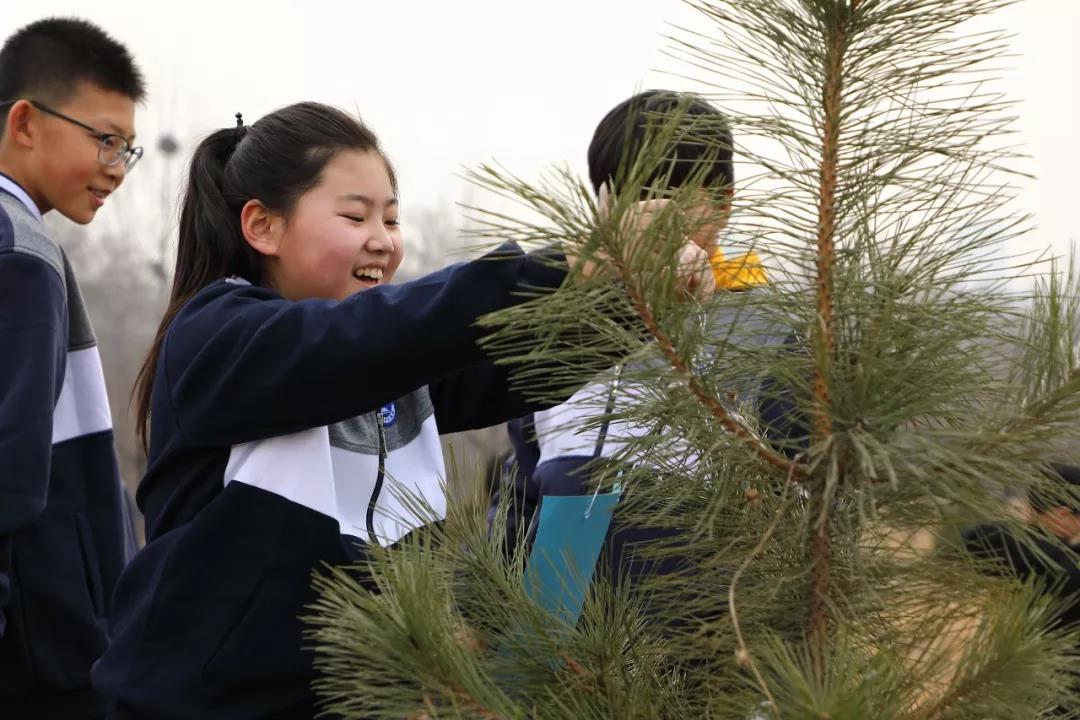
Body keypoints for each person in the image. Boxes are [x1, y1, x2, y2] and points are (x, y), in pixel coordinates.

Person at [91, 101, 714, 719]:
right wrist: (565, 263)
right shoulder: (219, 338)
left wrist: (636, 303)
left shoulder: (386, 367)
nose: (383, 242)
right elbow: (371, 337)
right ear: (264, 227)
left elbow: (514, 361)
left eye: (391, 219)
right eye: (355, 215)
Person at [490, 89, 795, 591]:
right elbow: (519, 491)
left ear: (723, 202)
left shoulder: (772, 329)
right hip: (554, 621)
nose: (647, 212)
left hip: (711, 627)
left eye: (668, 192)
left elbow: (813, 504)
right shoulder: (563, 328)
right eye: (629, 194)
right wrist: (484, 609)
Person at [0, 18, 144, 719]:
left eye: (128, 149)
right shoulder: (20, 254)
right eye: (104, 139)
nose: (116, 167)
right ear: (25, 122)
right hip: (40, 658)